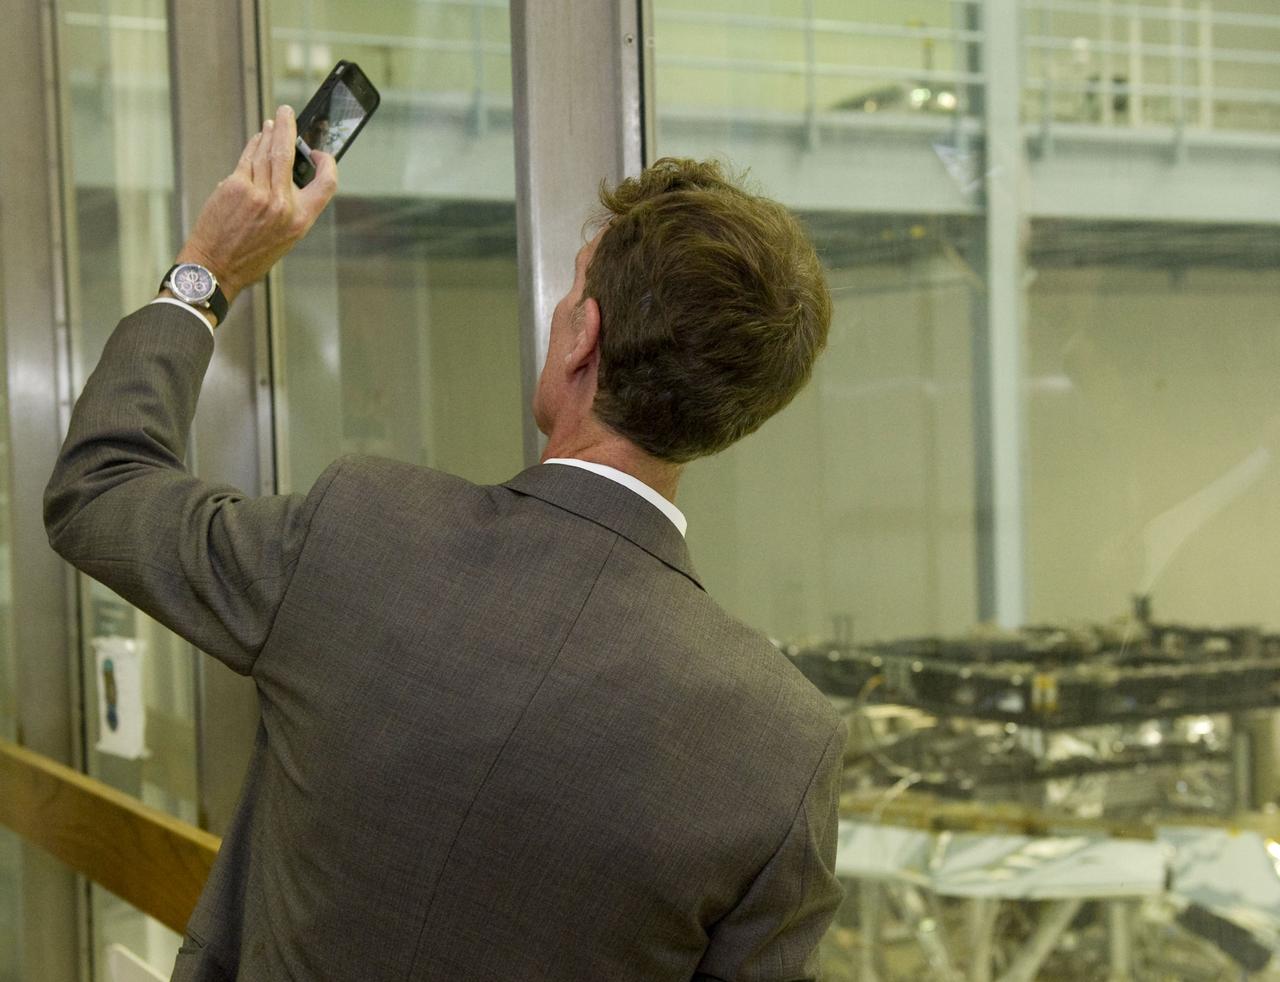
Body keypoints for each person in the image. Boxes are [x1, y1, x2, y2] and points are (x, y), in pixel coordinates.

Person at [45, 105, 845, 982]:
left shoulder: (364, 533)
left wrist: (207, 272)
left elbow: (101, 487)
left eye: (574, 289)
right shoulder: (782, 746)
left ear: (584, 339)